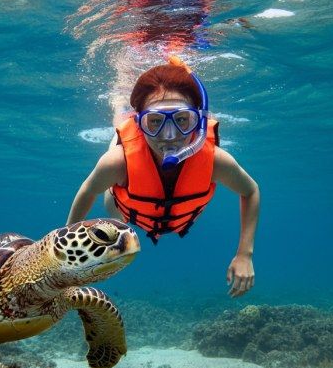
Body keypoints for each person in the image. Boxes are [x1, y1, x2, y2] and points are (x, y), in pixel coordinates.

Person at [66, 56, 259, 298]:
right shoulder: (117, 162)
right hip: (123, 207)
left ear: (197, 122)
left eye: (181, 120)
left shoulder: (216, 161)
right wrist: (64, 252)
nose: (169, 136)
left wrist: (244, 254)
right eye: (155, 122)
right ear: (139, 124)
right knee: (118, 224)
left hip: (176, 215)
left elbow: (250, 191)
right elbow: (88, 190)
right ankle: (119, 107)